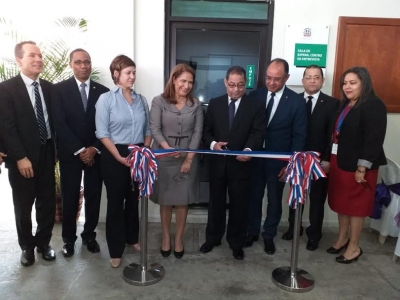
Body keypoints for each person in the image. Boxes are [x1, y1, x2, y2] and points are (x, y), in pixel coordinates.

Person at [0, 41, 56, 266]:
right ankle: (27, 246)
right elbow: (6, 126)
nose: (38, 59)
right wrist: (20, 157)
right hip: (21, 158)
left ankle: (44, 243)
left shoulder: (50, 88)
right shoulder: (6, 89)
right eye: (32, 55)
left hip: (47, 153)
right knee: (23, 205)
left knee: (47, 203)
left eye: (40, 55)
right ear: (19, 60)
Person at [244, 58, 307, 255]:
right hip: (254, 157)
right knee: (253, 196)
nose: (271, 82)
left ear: (286, 78)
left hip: (278, 160)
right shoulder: (255, 96)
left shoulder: (296, 101)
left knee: (274, 198)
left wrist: (289, 164)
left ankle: (269, 235)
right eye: (268, 78)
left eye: (277, 79)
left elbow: (299, 136)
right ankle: (252, 231)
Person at [201, 66, 264, 260]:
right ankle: (213, 238)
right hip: (218, 164)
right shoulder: (215, 103)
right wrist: (213, 144)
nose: (236, 90)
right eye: (232, 85)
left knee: (239, 205)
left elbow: (258, 132)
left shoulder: (255, 105)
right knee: (215, 203)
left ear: (246, 84)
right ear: (225, 83)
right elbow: (206, 131)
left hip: (241, 165)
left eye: (240, 85)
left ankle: (236, 242)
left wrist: (248, 150)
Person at [51, 48, 109, 257]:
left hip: (95, 153)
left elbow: (106, 124)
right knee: (69, 197)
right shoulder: (58, 90)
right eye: (78, 62)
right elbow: (59, 123)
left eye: (87, 62)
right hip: (70, 154)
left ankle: (89, 235)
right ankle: (68, 239)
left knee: (93, 195)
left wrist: (94, 148)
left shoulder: (103, 91)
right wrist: (80, 149)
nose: (83, 66)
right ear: (71, 64)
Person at [95, 55, 151, 268]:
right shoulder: (106, 99)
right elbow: (102, 132)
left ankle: (132, 238)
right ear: (116, 74)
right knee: (116, 203)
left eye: (134, 72)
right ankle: (116, 250)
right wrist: (118, 157)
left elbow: (147, 129)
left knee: (133, 198)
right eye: (128, 72)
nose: (132, 76)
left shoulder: (141, 100)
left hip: (138, 152)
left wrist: (144, 150)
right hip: (113, 154)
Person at [327, 66, 386, 264]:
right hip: (340, 162)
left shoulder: (373, 105)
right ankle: (342, 239)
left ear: (364, 83)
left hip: (360, 167)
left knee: (356, 207)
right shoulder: (346, 104)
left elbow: (374, 140)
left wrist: (363, 167)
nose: (347, 87)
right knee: (341, 204)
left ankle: (354, 247)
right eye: (345, 83)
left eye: (353, 83)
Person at [281, 65, 339, 251]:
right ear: (302, 80)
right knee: (296, 196)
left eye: (316, 77)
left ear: (322, 81)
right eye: (308, 77)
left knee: (317, 199)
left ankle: (314, 234)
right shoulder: (293, 100)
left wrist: (328, 159)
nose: (312, 80)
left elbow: (333, 136)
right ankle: (294, 228)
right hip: (297, 159)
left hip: (320, 161)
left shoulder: (332, 104)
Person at [149, 64, 203, 259]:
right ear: (173, 80)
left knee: (182, 202)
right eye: (183, 81)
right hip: (164, 158)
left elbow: (197, 133)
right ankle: (165, 237)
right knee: (165, 201)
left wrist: (188, 158)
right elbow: (154, 128)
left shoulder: (195, 104)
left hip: (187, 158)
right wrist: (166, 148)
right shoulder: (159, 101)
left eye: (190, 82)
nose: (186, 86)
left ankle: (178, 239)